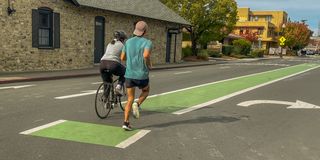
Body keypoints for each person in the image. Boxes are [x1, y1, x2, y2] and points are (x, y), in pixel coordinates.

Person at [120, 21, 152, 131]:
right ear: (145, 31)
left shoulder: (128, 42)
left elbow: (122, 58)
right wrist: (149, 64)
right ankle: (137, 104)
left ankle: (126, 123)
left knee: (129, 98)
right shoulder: (147, 42)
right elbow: (146, 55)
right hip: (142, 75)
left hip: (129, 75)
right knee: (146, 91)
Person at [100, 31, 127, 95]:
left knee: (107, 83)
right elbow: (124, 57)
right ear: (122, 39)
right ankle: (118, 87)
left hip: (102, 63)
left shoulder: (110, 43)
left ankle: (106, 101)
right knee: (126, 72)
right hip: (113, 64)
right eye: (124, 39)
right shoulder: (122, 45)